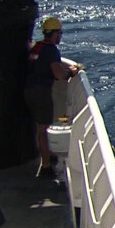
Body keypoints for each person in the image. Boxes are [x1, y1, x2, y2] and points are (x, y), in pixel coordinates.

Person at [24, 17, 78, 179]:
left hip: (29, 90)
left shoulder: (37, 47)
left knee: (38, 126)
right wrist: (72, 72)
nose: (60, 36)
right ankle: (46, 165)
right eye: (59, 32)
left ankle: (47, 154)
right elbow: (59, 74)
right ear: (54, 33)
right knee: (43, 128)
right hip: (41, 93)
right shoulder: (51, 50)